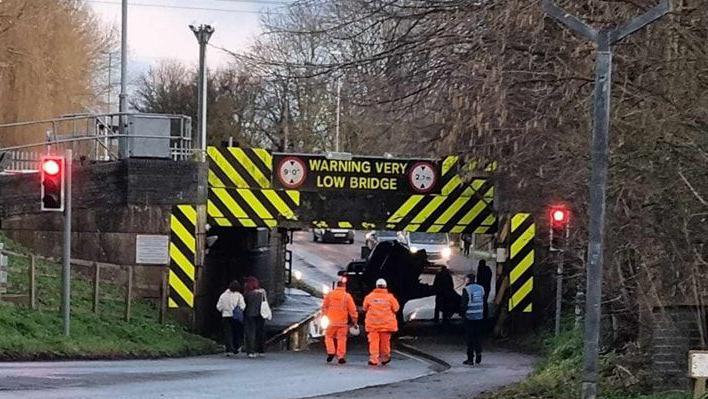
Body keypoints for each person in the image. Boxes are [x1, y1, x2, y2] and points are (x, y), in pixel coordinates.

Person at [363, 278, 400, 366]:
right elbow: (396, 308)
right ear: (385, 286)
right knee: (385, 342)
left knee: (373, 342)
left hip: (373, 324)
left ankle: (374, 359)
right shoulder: (390, 297)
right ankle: (385, 357)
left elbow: (364, 308)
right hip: (386, 324)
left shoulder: (369, 297)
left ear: (376, 286)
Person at [321, 278, 358, 364]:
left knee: (328, 336)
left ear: (336, 286)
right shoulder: (347, 296)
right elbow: (352, 310)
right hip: (342, 322)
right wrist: (354, 321)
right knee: (342, 339)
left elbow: (324, 307)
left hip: (331, 322)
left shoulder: (330, 295)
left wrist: (324, 316)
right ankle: (341, 356)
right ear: (344, 286)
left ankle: (331, 352)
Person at [216, 280, 246, 356]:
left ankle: (228, 349)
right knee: (236, 332)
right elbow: (243, 306)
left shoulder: (223, 295)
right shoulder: (239, 295)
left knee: (227, 333)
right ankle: (236, 347)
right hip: (235, 317)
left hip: (226, 316)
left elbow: (218, 307)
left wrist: (224, 310)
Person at [460, 272, 485, 365]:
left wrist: (462, 315)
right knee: (478, 337)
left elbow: (463, 304)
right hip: (479, 316)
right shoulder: (481, 288)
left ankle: (470, 359)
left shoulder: (467, 289)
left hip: (469, 317)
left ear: (468, 280)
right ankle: (479, 353)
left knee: (470, 338)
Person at [244, 276, 268, 358]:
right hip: (261, 314)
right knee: (260, 332)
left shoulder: (247, 293)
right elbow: (265, 302)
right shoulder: (262, 292)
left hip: (250, 314)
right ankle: (261, 350)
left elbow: (244, 304)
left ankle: (250, 351)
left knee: (250, 333)